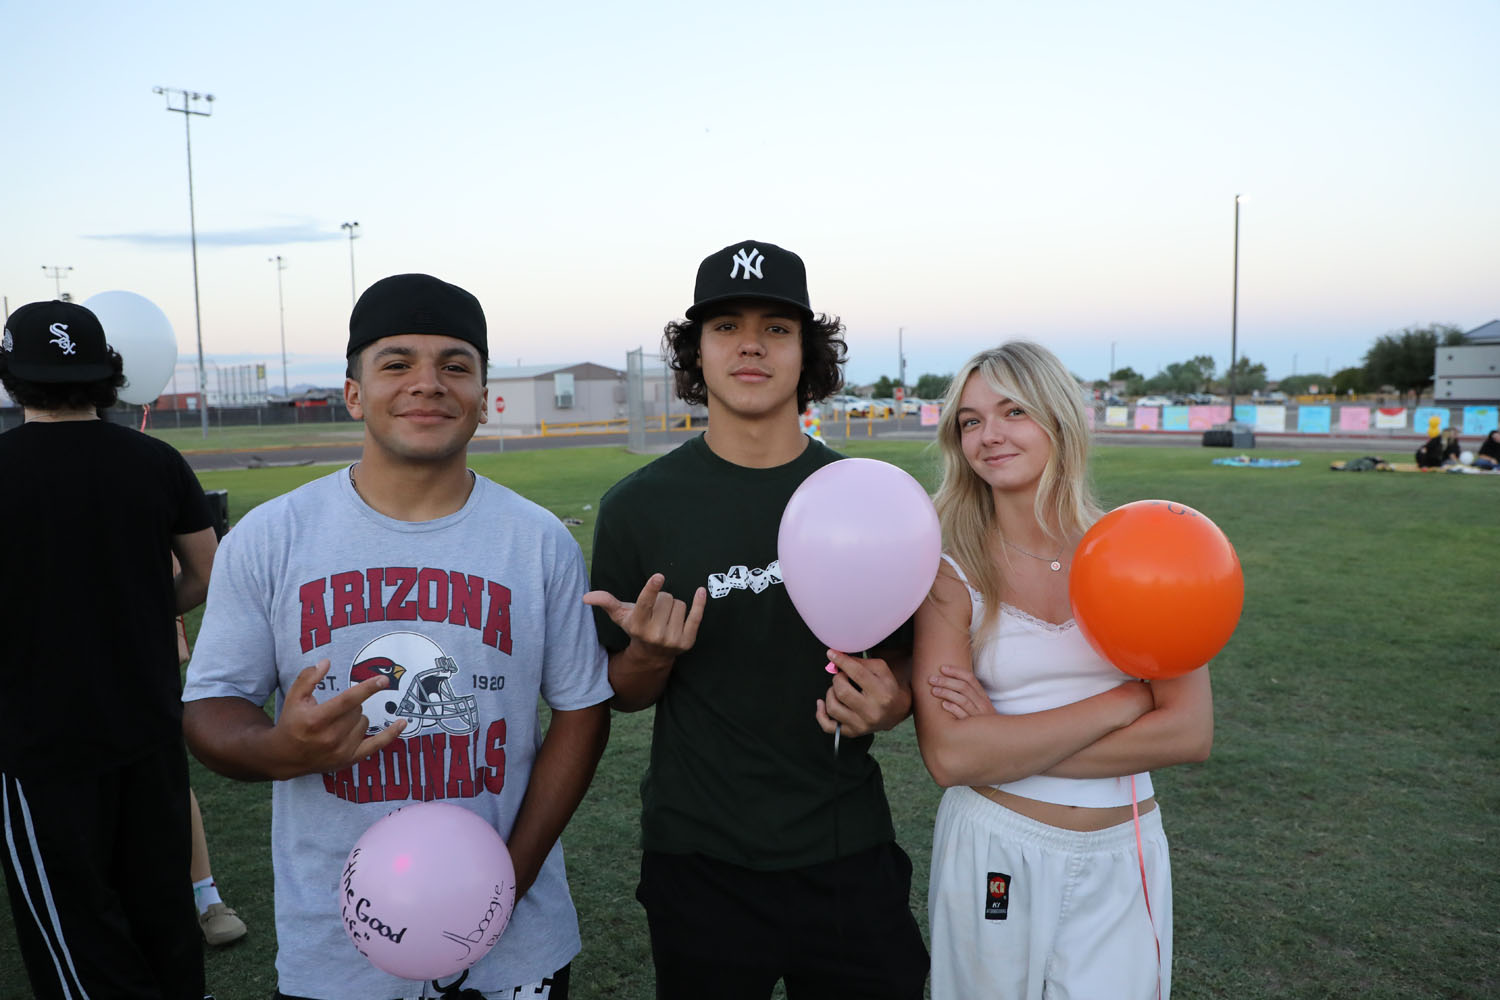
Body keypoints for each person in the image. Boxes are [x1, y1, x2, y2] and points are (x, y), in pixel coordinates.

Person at [181, 274, 612, 1000]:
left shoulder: (538, 542)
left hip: (514, 949)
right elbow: (212, 703)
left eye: (455, 365)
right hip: (337, 946)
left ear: (482, 396)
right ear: (354, 393)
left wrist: (511, 874)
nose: (428, 384)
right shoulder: (271, 539)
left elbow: (582, 707)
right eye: (396, 363)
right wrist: (278, 749)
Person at [586, 241, 929, 998]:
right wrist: (649, 655)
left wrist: (894, 699)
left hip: (845, 845)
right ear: (695, 353)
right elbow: (622, 691)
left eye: (776, 327)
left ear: (807, 353)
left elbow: (905, 665)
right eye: (726, 326)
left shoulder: (865, 495)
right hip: (699, 857)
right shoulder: (637, 508)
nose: (750, 343)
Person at [913, 342, 1214, 1000]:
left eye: (1012, 410)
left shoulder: (1145, 550)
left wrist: (1006, 739)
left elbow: (1188, 734)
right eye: (969, 421)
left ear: (1058, 418)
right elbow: (952, 756)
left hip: (1124, 852)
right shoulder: (946, 569)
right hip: (995, 849)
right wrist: (1128, 700)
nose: (989, 435)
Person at [0, 300, 218, 1000]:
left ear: (13, 377)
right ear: (107, 373)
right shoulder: (156, 460)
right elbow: (207, 573)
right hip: (149, 728)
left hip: (37, 746)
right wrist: (150, 610)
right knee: (163, 913)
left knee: (76, 933)